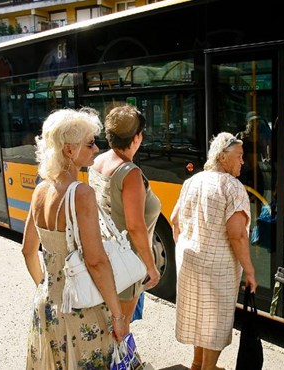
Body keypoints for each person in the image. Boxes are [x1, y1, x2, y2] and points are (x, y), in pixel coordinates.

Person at [22, 108, 127, 368]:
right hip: (80, 306)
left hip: (47, 305)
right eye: (90, 143)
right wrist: (118, 315)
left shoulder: (41, 190)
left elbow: (27, 250)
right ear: (69, 150)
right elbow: (96, 262)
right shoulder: (81, 193)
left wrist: (46, 288)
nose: (96, 149)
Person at [171, 132, 258, 370]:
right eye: (239, 156)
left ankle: (197, 363)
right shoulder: (233, 187)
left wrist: (186, 246)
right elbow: (237, 234)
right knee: (216, 323)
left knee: (201, 316)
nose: (243, 161)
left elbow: (174, 219)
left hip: (189, 260)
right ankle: (207, 369)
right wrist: (250, 271)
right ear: (222, 157)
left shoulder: (193, 181)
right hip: (217, 267)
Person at [89, 104, 161, 332]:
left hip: (105, 254)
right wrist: (151, 267)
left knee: (109, 324)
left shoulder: (99, 162)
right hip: (127, 262)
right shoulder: (129, 173)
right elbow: (135, 226)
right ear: (137, 137)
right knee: (120, 328)